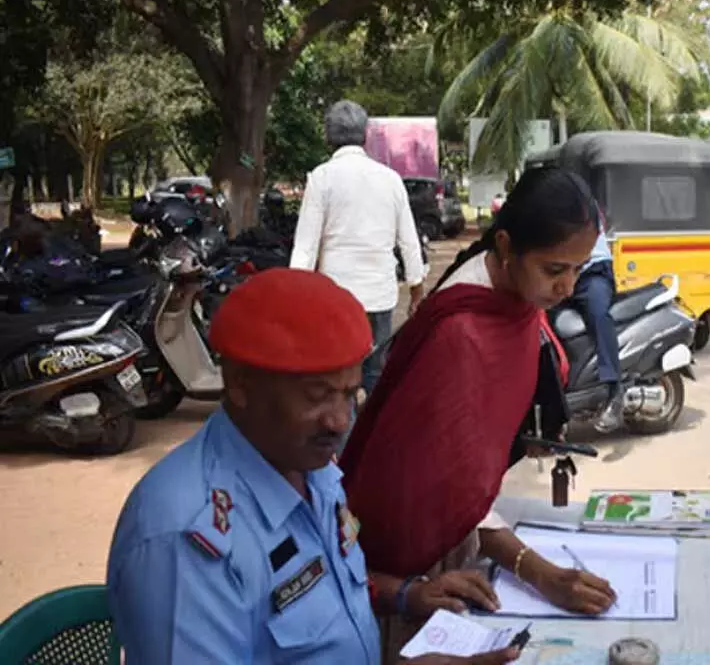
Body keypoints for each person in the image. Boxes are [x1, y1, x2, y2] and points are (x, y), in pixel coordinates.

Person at [106, 268, 517, 665]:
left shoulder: (307, 463)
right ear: (241, 385)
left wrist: (406, 594)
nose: (339, 421)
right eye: (317, 395)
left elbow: (323, 581)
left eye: (348, 393)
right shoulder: (185, 541)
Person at [339, 167, 618, 655]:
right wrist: (536, 570)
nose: (568, 288)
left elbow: (465, 480)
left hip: (456, 550)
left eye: (579, 269)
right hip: (413, 573)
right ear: (506, 248)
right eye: (555, 270)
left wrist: (536, 570)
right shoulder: (462, 334)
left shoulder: (513, 303)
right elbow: (435, 489)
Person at [291, 99, 426, 398]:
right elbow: (408, 240)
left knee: (338, 379)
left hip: (335, 298)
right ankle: (372, 440)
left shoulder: (321, 178)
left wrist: (295, 297)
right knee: (375, 373)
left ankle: (347, 441)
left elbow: (306, 248)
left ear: (328, 137)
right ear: (365, 135)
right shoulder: (390, 180)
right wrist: (417, 290)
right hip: (379, 295)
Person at [570, 214, 623, 431]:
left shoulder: (581, 204)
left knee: (599, 315)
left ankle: (614, 391)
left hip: (592, 273)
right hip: (562, 273)